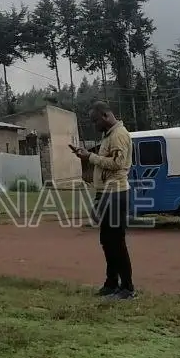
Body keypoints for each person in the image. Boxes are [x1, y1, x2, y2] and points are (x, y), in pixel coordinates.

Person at [71, 102, 135, 300]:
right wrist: (86, 156)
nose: (95, 125)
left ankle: (127, 288)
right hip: (107, 193)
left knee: (116, 241)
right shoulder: (109, 136)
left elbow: (118, 164)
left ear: (106, 115)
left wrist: (90, 157)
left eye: (96, 120)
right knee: (107, 241)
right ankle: (111, 284)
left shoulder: (119, 135)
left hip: (116, 194)